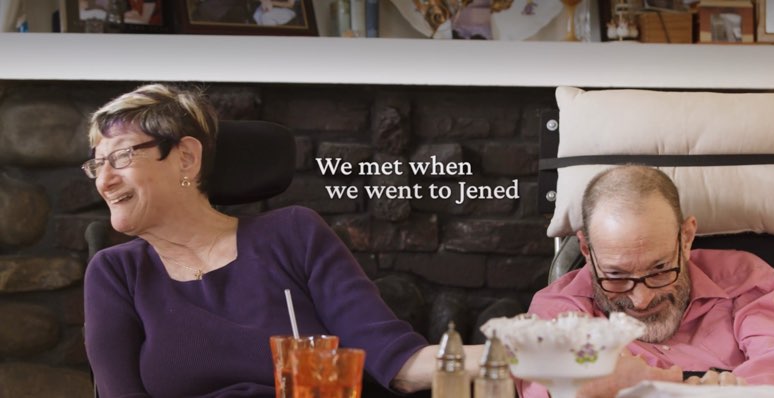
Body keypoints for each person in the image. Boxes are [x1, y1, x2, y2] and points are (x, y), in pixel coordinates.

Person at [82, 83, 481, 397]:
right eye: (96, 166)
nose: (104, 180)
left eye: (120, 157)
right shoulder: (117, 272)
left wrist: (521, 352)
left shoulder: (293, 234)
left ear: (186, 157)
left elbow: (401, 365)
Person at [519, 165, 774, 398]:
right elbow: (550, 387)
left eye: (660, 270)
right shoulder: (557, 309)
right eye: (616, 276)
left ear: (686, 238)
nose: (641, 300)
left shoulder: (745, 279)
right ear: (586, 251)